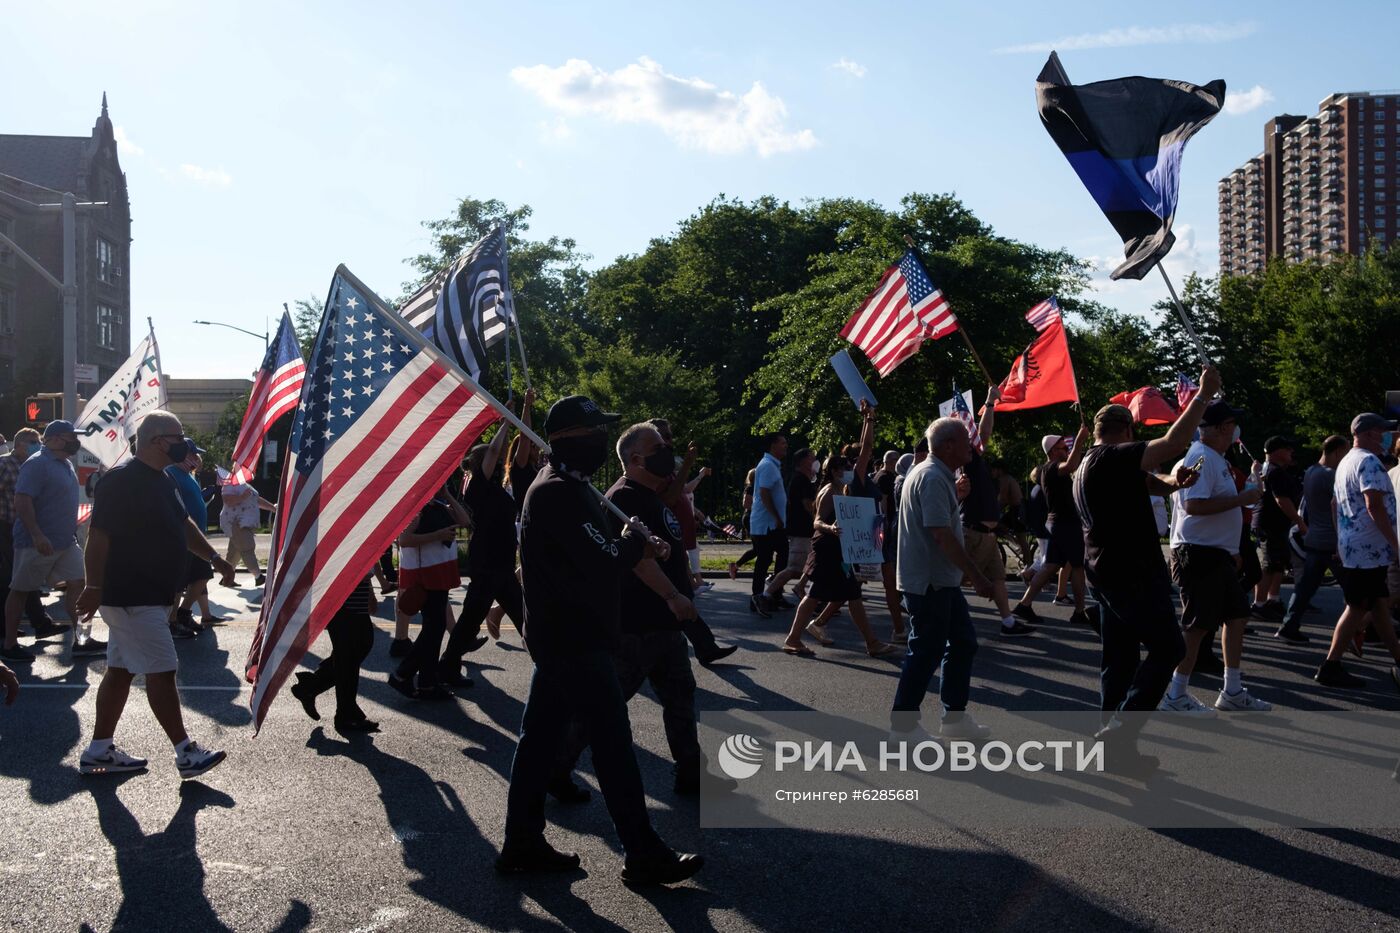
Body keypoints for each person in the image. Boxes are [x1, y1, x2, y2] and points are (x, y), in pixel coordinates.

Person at [498, 395, 702, 885]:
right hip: (573, 640)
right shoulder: (555, 492)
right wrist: (637, 540)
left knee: (538, 741)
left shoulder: (576, 487)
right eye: (593, 433)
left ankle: (521, 841)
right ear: (567, 438)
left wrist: (637, 538)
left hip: (568, 636)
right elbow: (606, 557)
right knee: (613, 744)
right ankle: (642, 852)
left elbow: (603, 549)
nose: (600, 441)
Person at [552, 423, 717, 797]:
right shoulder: (621, 498)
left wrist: (682, 584)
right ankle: (555, 767)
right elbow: (637, 562)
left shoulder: (652, 494)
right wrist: (674, 595)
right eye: (658, 447)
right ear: (637, 459)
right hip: (635, 626)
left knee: (680, 696)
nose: (667, 451)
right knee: (601, 707)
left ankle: (690, 772)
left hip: (664, 625)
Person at [1073, 366, 1219, 769]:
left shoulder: (1091, 463)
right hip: (1130, 573)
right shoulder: (1114, 456)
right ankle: (1122, 727)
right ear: (1128, 431)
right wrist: (1202, 396)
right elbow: (1174, 441)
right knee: (1170, 647)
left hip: (1104, 572)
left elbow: (1150, 480)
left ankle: (1115, 753)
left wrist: (1174, 483)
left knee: (1118, 661)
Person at [75, 411, 235, 778]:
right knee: (163, 671)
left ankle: (99, 749)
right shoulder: (120, 481)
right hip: (132, 595)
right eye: (177, 436)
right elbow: (98, 538)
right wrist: (94, 586)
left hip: (150, 595)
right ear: (156, 441)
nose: (184, 443)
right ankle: (185, 752)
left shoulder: (164, 480)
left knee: (120, 671)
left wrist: (214, 558)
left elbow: (184, 525)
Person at [1160, 400, 1273, 715]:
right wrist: (1241, 499)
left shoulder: (1213, 458)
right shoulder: (1200, 457)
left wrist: (1232, 549)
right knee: (1198, 625)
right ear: (1223, 427)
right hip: (1197, 553)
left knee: (1236, 616)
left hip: (1214, 553)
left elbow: (1210, 504)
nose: (1236, 430)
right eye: (1232, 424)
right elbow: (1194, 506)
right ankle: (1175, 694)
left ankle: (1232, 690)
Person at [889, 417, 996, 740]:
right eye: (966, 440)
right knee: (926, 651)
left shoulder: (932, 473)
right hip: (930, 581)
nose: (971, 446)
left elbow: (937, 523)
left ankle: (954, 719)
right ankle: (903, 727)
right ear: (948, 445)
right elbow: (941, 534)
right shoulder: (934, 477)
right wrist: (976, 575)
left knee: (961, 643)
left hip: (937, 580)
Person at [1314, 413, 1400, 689]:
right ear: (1368, 433)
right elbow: (1374, 505)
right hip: (1369, 550)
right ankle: (1330, 664)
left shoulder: (1346, 461)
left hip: (1357, 547)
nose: (1387, 437)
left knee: (1377, 605)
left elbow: (1334, 505)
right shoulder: (1369, 462)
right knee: (1357, 606)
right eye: (1382, 431)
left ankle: (1398, 658)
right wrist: (1395, 543)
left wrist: (1342, 540)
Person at [645, 419, 737, 666]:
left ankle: (704, 647)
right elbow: (670, 498)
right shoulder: (655, 468)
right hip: (662, 544)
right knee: (679, 597)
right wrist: (686, 464)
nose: (670, 441)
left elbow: (681, 493)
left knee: (682, 596)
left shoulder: (666, 467)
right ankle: (702, 648)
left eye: (670, 435)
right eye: (664, 436)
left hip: (674, 541)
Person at [2, 420, 96, 662]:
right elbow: (22, 501)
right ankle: (10, 645)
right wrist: (36, 534)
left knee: (79, 582)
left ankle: (82, 639)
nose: (75, 441)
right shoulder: (37, 464)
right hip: (36, 543)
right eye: (69, 437)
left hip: (64, 541)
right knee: (20, 590)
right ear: (53, 439)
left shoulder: (64, 463)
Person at [438, 420, 521, 683]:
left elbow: (504, 453)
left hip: (502, 563)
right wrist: (507, 422)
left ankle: (447, 666)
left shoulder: (493, 488)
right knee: (471, 621)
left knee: (521, 616)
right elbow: (496, 450)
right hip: (488, 564)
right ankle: (447, 667)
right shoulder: (477, 486)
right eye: (492, 460)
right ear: (484, 463)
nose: (497, 463)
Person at [958, 386, 1034, 638]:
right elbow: (985, 432)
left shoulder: (975, 461)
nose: (976, 444)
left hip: (988, 537)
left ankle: (1008, 622)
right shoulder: (967, 461)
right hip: (972, 533)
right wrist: (990, 403)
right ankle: (931, 616)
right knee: (952, 579)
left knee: (998, 578)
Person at [1014, 426, 1096, 632]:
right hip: (1066, 524)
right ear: (1051, 451)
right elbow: (1071, 465)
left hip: (1058, 524)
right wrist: (1079, 439)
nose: (1066, 450)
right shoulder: (1052, 468)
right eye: (1061, 447)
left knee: (1050, 566)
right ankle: (1079, 611)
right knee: (1077, 567)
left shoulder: (1049, 469)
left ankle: (1024, 605)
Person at [389, 484, 467, 700]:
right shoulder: (418, 509)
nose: (442, 486)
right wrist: (437, 535)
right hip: (426, 578)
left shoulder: (441, 505)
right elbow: (404, 540)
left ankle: (427, 683)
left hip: (440, 575)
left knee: (434, 630)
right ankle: (403, 674)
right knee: (433, 631)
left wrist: (448, 495)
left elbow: (465, 522)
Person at [1278, 435, 1349, 643]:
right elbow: (1340, 508)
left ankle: (1288, 625)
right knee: (1354, 590)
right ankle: (1360, 629)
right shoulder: (1331, 475)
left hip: (1315, 537)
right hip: (1331, 539)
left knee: (1305, 587)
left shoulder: (1310, 472)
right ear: (1337, 452)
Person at [290, 574, 378, 733]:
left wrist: (369, 592)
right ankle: (346, 715)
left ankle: (311, 686)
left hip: (355, 595)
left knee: (356, 649)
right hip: (341, 599)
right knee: (348, 655)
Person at [0, 429, 59, 650]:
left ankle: (38, 623)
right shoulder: (5, 464)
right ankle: (25, 626)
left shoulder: (33, 465)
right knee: (13, 577)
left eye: (39, 441)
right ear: (20, 444)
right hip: (5, 525)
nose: (37, 445)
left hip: (23, 527)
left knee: (24, 575)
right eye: (33, 442)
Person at [166, 446, 221, 637]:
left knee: (203, 575)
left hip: (197, 538)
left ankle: (184, 613)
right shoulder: (170, 474)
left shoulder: (187, 475)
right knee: (179, 583)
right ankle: (172, 622)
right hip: (183, 538)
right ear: (182, 454)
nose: (197, 458)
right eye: (193, 454)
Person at [1252, 436, 1304, 619]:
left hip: (1274, 524)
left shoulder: (1270, 470)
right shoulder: (1275, 471)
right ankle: (1259, 604)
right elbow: (1281, 500)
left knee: (1278, 564)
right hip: (1270, 524)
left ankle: (1272, 599)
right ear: (1277, 451)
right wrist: (1299, 520)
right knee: (1269, 565)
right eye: (1288, 449)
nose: (1291, 452)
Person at [748, 433, 796, 616]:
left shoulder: (771, 465)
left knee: (782, 556)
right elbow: (764, 493)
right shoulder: (768, 465)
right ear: (773, 445)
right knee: (765, 560)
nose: (786, 446)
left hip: (771, 523)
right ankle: (758, 596)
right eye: (783, 442)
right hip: (766, 524)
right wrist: (776, 516)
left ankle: (774, 594)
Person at [873, 449, 907, 640]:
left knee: (887, 580)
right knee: (888, 577)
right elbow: (884, 503)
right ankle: (899, 630)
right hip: (884, 529)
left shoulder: (880, 475)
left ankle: (899, 629)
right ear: (891, 461)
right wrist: (884, 527)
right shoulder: (886, 478)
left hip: (880, 530)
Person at [219, 475, 275, 586]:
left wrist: (272, 508)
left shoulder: (244, 485)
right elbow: (227, 500)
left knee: (234, 552)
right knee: (247, 549)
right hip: (237, 523)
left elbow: (256, 500)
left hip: (245, 523)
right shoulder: (230, 482)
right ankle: (258, 577)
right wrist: (242, 497)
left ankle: (226, 578)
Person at [726, 468, 758, 580]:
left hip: (755, 519)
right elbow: (746, 504)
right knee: (759, 548)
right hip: (751, 518)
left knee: (759, 548)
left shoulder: (758, 487)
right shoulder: (751, 488)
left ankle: (735, 566)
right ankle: (735, 565)